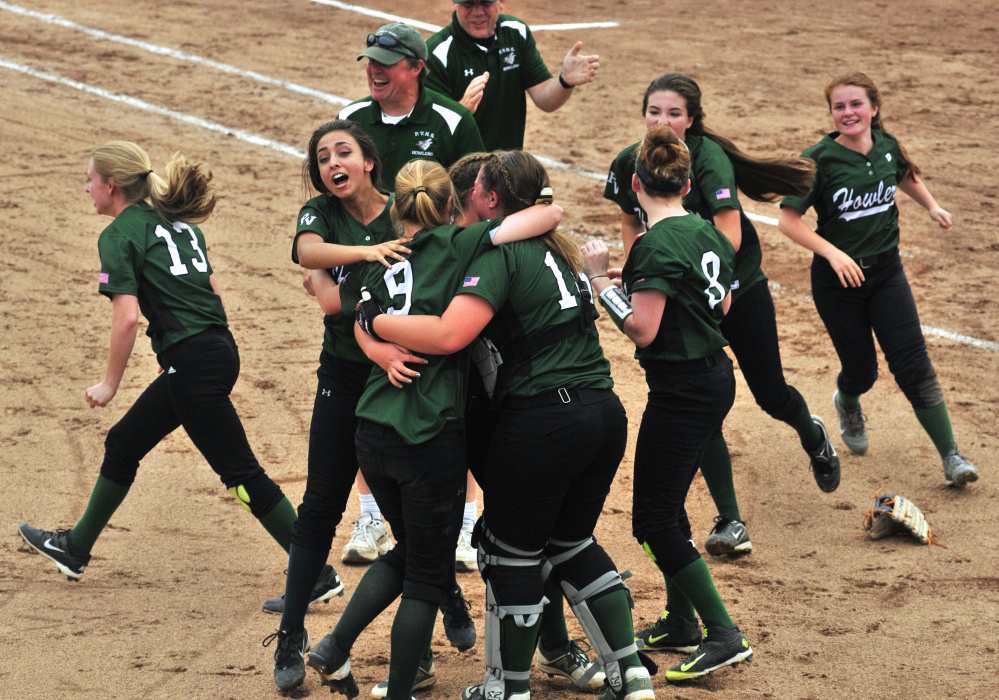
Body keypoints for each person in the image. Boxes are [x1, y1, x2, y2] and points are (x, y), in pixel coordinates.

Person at [362, 150, 652, 700]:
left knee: (509, 552)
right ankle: (631, 671)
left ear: (486, 199)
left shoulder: (495, 255)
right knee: (569, 543)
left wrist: (373, 321)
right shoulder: (556, 248)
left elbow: (451, 336)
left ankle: (506, 688)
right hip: (603, 415)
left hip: (544, 422)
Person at [304, 159, 562, 700]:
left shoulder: (383, 258)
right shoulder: (460, 244)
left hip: (372, 431)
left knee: (410, 553)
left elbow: (356, 318)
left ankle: (335, 645)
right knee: (424, 570)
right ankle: (391, 684)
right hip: (428, 432)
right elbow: (546, 216)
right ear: (451, 203)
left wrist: (376, 346)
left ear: (397, 207)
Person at [18, 142, 299, 591]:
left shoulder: (118, 235)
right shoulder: (180, 226)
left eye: (90, 179)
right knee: (124, 442)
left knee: (241, 472)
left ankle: (313, 572)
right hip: (215, 350)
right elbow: (214, 293)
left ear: (111, 186)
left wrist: (110, 384)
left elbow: (128, 318)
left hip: (192, 363)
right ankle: (74, 547)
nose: (86, 187)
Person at [603, 73, 839, 576]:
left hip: (735, 282)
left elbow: (728, 232)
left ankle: (811, 431)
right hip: (683, 281)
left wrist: (681, 266)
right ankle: (731, 520)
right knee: (698, 397)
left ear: (692, 119)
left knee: (771, 393)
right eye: (654, 112)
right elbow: (630, 219)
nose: (661, 122)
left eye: (673, 114)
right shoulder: (632, 161)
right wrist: (645, 267)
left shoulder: (707, 158)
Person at [583, 125, 753, 683]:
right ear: (685, 182)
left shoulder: (652, 245)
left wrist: (599, 281)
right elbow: (722, 303)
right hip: (712, 378)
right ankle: (680, 622)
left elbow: (643, 330)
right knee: (670, 504)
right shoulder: (707, 231)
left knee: (653, 520)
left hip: (681, 389)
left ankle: (723, 633)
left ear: (635, 183)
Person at [778, 72, 979, 487]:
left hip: (887, 273)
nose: (848, 112)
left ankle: (952, 456)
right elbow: (788, 220)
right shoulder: (819, 159)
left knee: (913, 364)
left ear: (874, 108)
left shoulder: (887, 147)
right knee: (862, 371)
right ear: (831, 113)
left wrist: (932, 206)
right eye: (839, 106)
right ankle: (847, 399)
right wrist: (832, 252)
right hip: (838, 283)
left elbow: (905, 175)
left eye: (856, 104)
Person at [425, 0, 600, 151]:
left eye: (485, 3)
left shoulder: (516, 33)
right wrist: (461, 112)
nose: (477, 12)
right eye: (468, 4)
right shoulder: (437, 54)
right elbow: (429, 136)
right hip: (460, 172)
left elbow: (545, 99)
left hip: (507, 170)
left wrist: (564, 81)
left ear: (501, 1)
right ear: (455, 4)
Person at [339, 21, 485, 188]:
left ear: (416, 67)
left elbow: (477, 193)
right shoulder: (349, 119)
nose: (375, 70)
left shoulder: (455, 121)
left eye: (386, 63)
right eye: (372, 61)